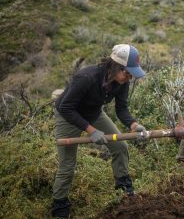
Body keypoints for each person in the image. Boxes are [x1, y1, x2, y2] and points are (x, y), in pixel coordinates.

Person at [51, 44, 146, 218]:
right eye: (128, 72)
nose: (130, 77)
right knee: (67, 166)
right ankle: (60, 207)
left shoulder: (121, 81)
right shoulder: (87, 77)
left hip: (93, 113)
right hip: (68, 116)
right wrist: (91, 130)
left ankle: (124, 191)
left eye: (132, 74)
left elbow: (122, 109)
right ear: (116, 66)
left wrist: (134, 125)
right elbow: (66, 107)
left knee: (120, 147)